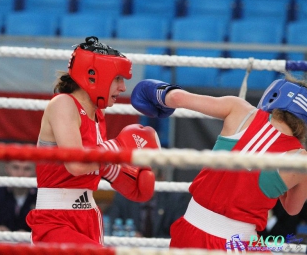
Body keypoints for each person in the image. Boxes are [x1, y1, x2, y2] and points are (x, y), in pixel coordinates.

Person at [131, 75, 307, 251]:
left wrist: (156, 94)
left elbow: (177, 98)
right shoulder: (301, 160)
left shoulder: (240, 109)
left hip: (189, 232)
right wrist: (276, 182)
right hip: (238, 243)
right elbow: (292, 208)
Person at [25, 36, 161, 247]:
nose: (123, 87)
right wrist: (119, 146)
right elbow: (77, 164)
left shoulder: (98, 115)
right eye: (117, 79)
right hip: (55, 219)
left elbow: (96, 163)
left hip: (89, 216)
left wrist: (119, 174)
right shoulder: (63, 104)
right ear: (95, 75)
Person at [106, 168, 191, 238]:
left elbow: (179, 235)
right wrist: (130, 236)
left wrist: (147, 242)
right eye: (140, 180)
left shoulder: (175, 199)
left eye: (148, 181)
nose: (144, 185)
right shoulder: (123, 196)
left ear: (160, 179)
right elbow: (113, 229)